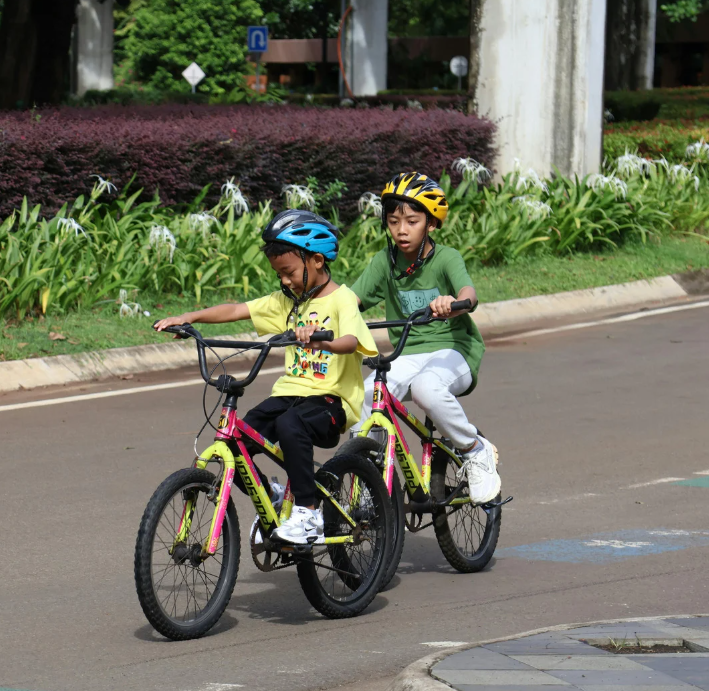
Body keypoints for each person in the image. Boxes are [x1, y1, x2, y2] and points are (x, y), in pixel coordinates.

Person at [154, 210, 378, 544]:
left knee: (291, 425)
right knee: (235, 441)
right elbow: (235, 310)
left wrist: (319, 338)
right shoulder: (285, 303)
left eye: (288, 272)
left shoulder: (341, 299)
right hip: (290, 394)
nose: (285, 281)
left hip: (333, 401)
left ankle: (308, 512)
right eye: (279, 274)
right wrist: (188, 318)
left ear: (317, 260)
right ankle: (272, 494)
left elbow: (351, 342)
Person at [350, 172, 501, 504]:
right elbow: (350, 301)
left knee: (426, 389)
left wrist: (455, 302)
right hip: (408, 353)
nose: (401, 230)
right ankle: (368, 480)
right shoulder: (384, 263)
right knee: (366, 394)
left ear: (431, 223)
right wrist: (316, 315)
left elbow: (469, 293)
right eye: (393, 222)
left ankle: (475, 450)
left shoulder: (446, 258)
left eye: (412, 221)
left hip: (455, 351)